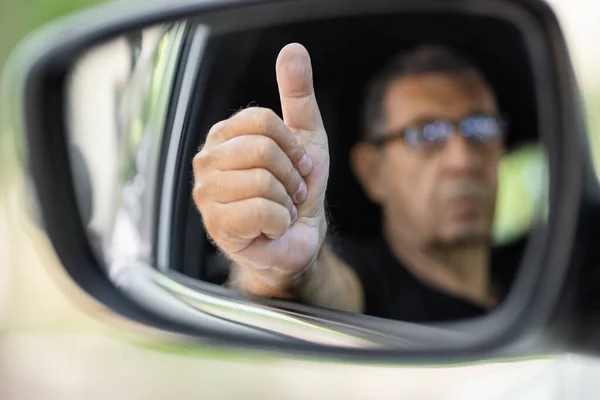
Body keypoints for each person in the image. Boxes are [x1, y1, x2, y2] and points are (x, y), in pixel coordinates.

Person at [192, 42, 524, 322]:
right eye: (426, 133)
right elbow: (322, 286)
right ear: (372, 172)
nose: (461, 160)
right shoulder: (367, 282)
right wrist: (277, 267)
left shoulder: (529, 273)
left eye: (480, 128)